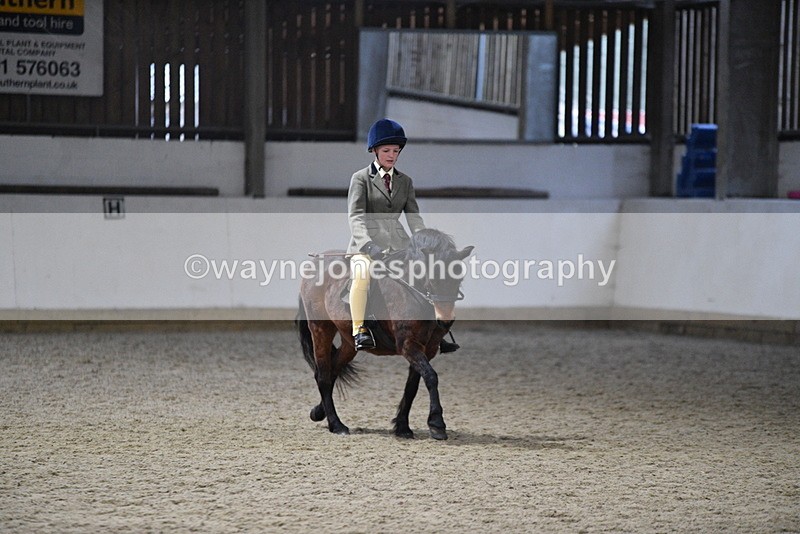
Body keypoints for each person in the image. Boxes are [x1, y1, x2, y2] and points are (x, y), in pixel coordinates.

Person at [347, 118, 425, 350]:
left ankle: (434, 330)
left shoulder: (405, 181)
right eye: (386, 151)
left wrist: (422, 240)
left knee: (427, 273)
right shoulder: (361, 178)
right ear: (375, 151)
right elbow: (355, 216)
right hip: (367, 245)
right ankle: (359, 329)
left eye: (396, 151)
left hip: (399, 243)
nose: (392, 155)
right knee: (362, 275)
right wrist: (367, 244)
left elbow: (414, 217)